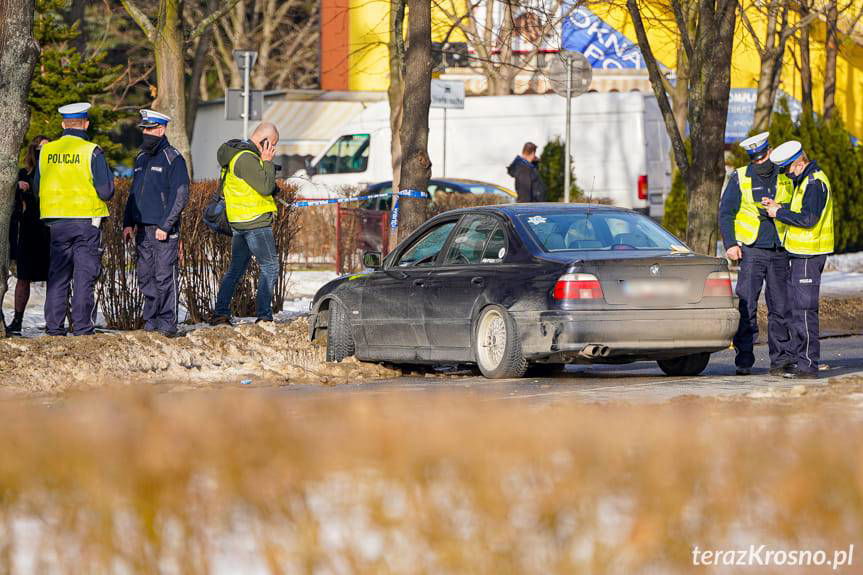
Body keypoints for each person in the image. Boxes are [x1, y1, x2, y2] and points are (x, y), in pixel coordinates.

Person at [718, 132, 795, 376]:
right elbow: (726, 213)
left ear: (770, 152)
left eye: (762, 158)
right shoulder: (741, 177)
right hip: (752, 251)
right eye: (755, 160)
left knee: (780, 306)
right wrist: (730, 243)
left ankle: (780, 360)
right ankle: (744, 358)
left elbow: (797, 206)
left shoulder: (785, 175)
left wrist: (781, 210)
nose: (759, 163)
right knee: (747, 305)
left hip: (780, 249)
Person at [34, 102, 114, 336]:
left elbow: (38, 187)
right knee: (83, 276)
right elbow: (106, 191)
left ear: (62, 124)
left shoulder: (46, 151)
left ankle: (54, 328)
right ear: (86, 124)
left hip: (57, 222)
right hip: (85, 221)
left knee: (58, 276)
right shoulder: (92, 150)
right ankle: (82, 328)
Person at [762, 141, 834, 380]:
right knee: (797, 311)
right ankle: (802, 362)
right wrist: (779, 207)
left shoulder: (814, 183)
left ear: (799, 162)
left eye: (788, 169)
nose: (787, 175)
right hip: (801, 254)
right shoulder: (804, 181)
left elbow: (808, 219)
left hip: (809, 254)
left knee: (804, 312)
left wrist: (778, 213)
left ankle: (807, 366)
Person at [122, 110, 190, 337]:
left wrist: (166, 225)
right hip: (141, 229)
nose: (146, 133)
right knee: (145, 277)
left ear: (161, 130)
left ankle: (167, 324)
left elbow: (180, 194)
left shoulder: (173, 158)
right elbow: (134, 193)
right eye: (144, 129)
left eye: (150, 129)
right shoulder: (141, 158)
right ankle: (150, 322)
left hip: (162, 230)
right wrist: (128, 222)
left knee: (164, 277)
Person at [211, 122, 280, 325]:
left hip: (240, 222)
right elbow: (265, 187)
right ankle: (264, 316)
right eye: (273, 144)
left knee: (237, 268)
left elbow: (254, 186)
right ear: (264, 142)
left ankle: (221, 312)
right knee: (270, 266)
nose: (273, 150)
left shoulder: (239, 155)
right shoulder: (247, 158)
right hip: (254, 222)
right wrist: (267, 162)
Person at [5, 135, 51, 336]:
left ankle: (54, 320)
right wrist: (18, 188)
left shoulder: (55, 173)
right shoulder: (23, 174)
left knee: (55, 279)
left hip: (50, 228)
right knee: (24, 278)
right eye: (40, 149)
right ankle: (17, 320)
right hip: (29, 230)